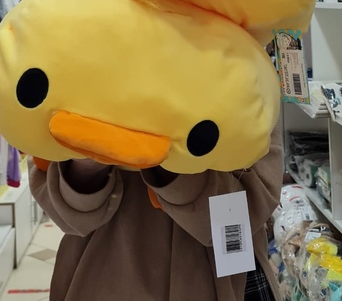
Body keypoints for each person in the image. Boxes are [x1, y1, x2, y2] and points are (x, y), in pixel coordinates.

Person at [29, 121, 283, 301]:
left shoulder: (240, 74)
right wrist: (85, 166)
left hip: (218, 273)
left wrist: (173, 165)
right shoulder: (75, 70)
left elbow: (251, 204)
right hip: (103, 268)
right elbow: (56, 199)